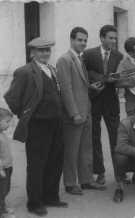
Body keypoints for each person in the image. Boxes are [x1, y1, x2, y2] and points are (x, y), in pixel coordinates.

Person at [4, 37, 67, 216]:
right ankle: (35, 202)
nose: (45, 53)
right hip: (38, 125)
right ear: (32, 53)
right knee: (37, 164)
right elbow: (12, 98)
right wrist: (26, 115)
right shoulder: (24, 72)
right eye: (41, 50)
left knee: (55, 161)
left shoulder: (52, 69)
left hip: (56, 123)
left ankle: (50, 196)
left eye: (47, 50)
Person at [56, 27, 103, 196]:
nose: (82, 43)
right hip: (74, 114)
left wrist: (90, 87)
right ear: (71, 40)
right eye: (79, 40)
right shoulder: (64, 60)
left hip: (86, 111)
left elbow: (78, 85)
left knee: (85, 149)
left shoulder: (79, 59)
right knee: (71, 150)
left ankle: (86, 180)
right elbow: (66, 89)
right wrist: (74, 113)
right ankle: (70, 183)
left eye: (85, 40)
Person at [82, 25, 123, 186]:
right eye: (110, 38)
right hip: (93, 100)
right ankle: (99, 172)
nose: (113, 41)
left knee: (116, 138)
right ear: (102, 38)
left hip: (111, 102)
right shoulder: (89, 54)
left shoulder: (119, 56)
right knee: (94, 138)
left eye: (115, 38)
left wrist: (117, 79)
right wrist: (104, 78)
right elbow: (84, 73)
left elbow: (121, 77)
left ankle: (120, 173)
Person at [0, 108, 14, 218]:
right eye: (7, 122)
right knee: (1, 191)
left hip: (8, 166)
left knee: (6, 189)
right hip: (2, 169)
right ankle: (2, 212)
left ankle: (3, 207)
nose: (9, 125)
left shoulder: (2, 134)